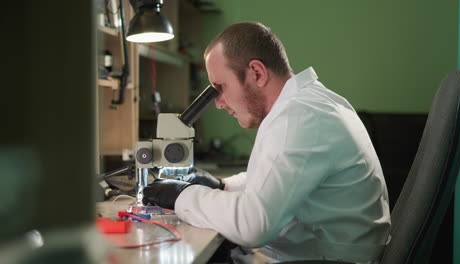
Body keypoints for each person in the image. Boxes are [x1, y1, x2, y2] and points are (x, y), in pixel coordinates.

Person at [143, 22, 391, 263]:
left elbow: (253, 225)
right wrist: (222, 186)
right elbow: (275, 180)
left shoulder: (299, 117)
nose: (218, 103)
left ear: (257, 73)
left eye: (221, 87)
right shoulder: (308, 104)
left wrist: (182, 195)